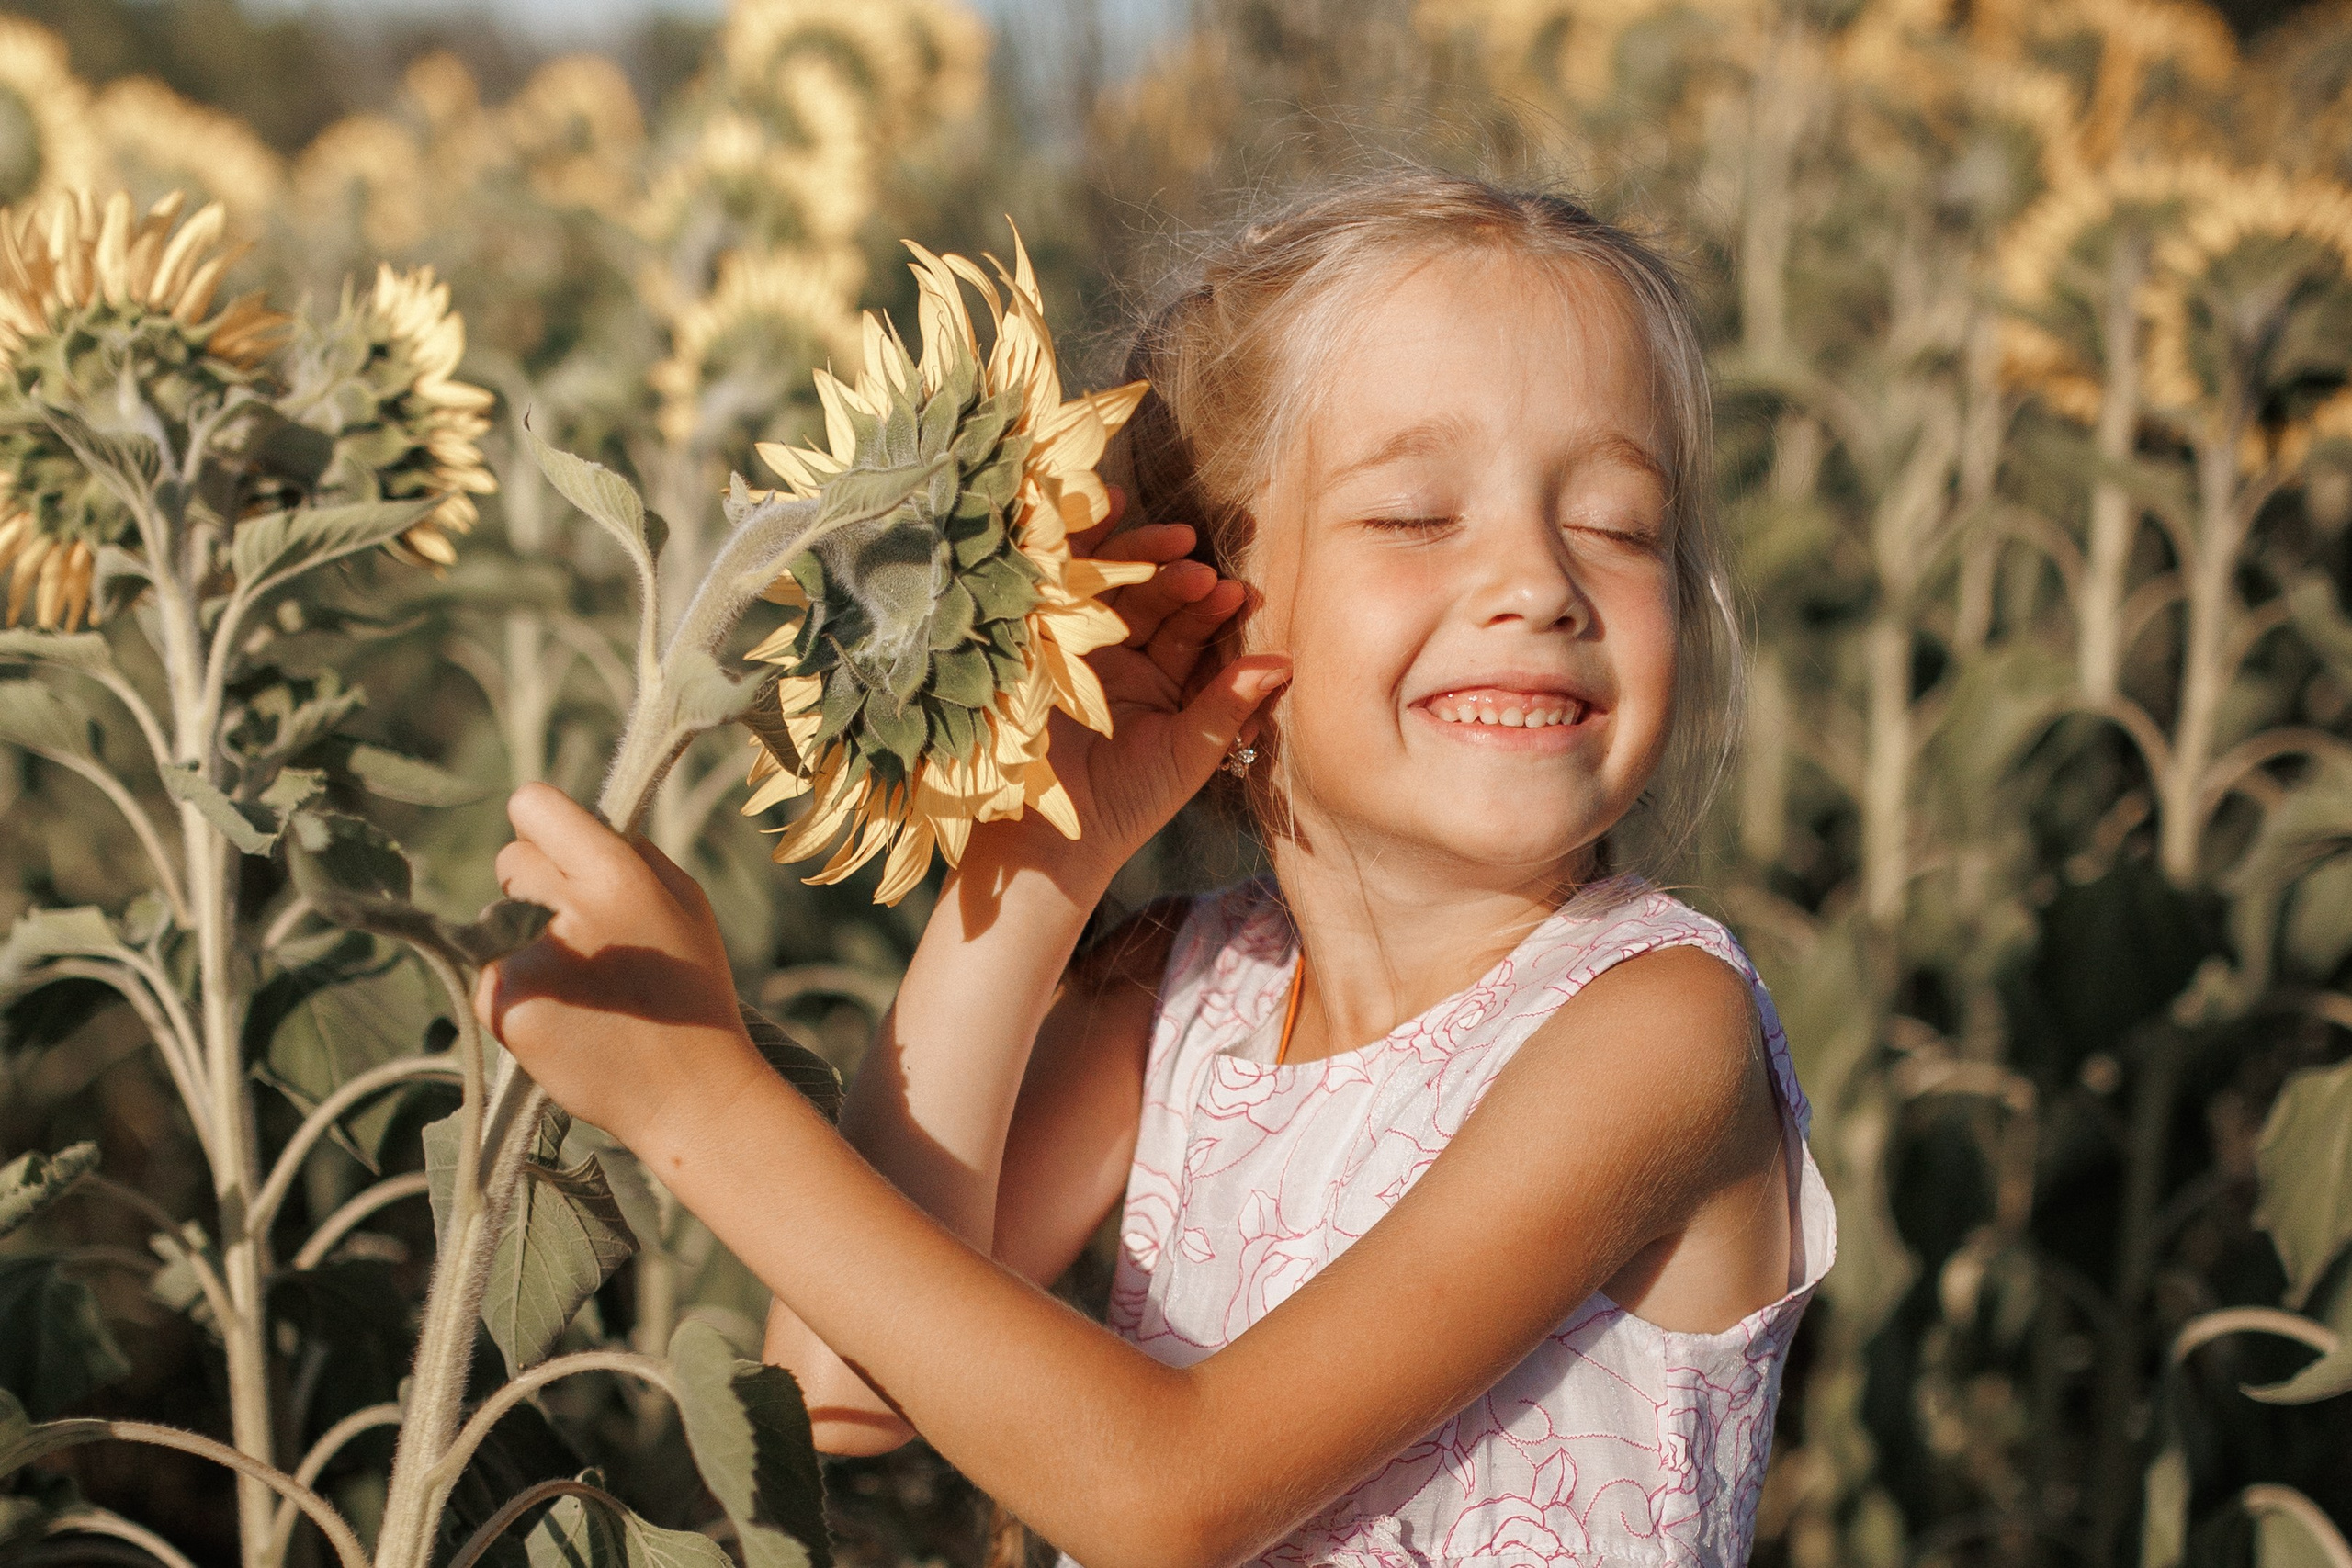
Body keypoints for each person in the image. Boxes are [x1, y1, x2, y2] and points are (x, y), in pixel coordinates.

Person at [481, 169, 1836, 1568]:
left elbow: (1168, 1496)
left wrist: (696, 1099)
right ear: (1214, 592)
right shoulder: (1186, 996)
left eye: (1618, 525)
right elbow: (842, 1382)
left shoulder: (1654, 1029)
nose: (1541, 583)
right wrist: (1041, 857)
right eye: (1417, 514)